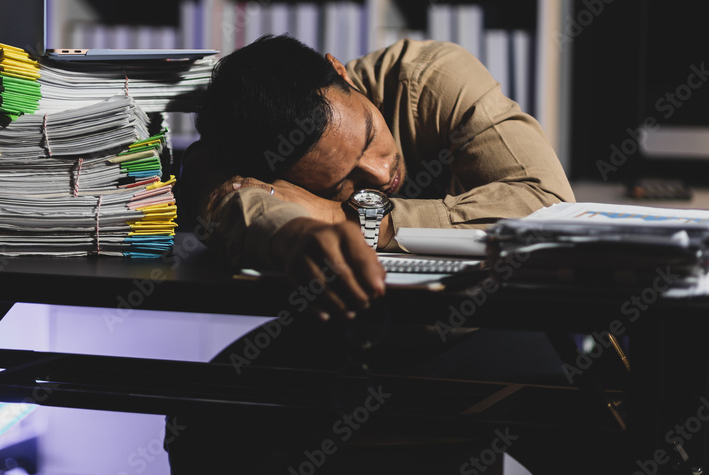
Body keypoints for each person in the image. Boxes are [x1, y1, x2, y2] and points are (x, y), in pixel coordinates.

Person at [166, 36, 621, 474]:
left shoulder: (432, 77)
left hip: (495, 321)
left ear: (341, 72)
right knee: (200, 421)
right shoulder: (241, 150)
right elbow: (220, 196)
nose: (382, 173)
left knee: (602, 443)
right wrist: (293, 227)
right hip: (351, 337)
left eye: (368, 137)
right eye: (341, 182)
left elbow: (547, 207)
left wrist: (347, 215)